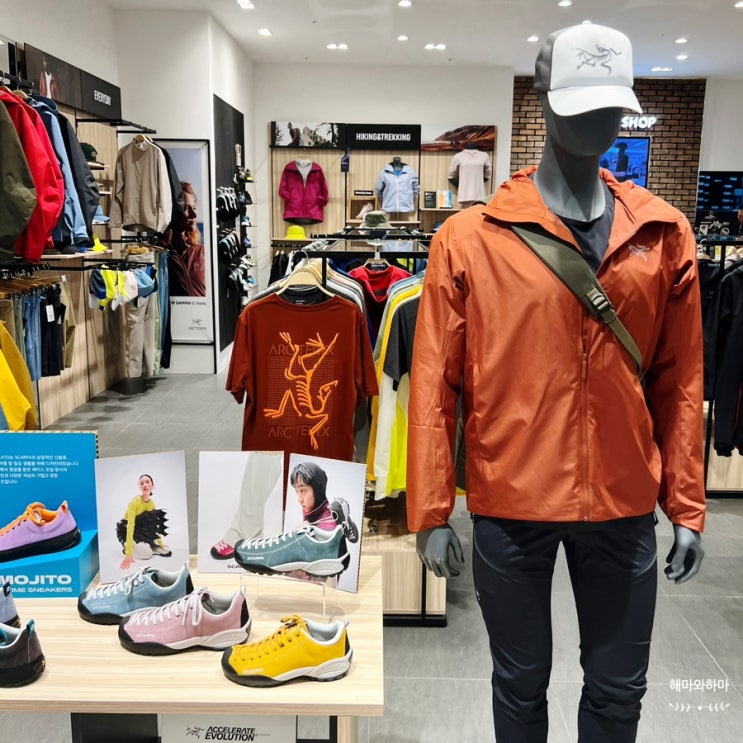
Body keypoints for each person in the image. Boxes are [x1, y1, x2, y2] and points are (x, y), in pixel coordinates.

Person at [407, 23, 706, 743]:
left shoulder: (663, 235)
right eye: (580, 103)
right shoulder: (469, 240)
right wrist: (429, 508)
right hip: (512, 499)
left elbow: (681, 381)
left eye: (610, 106)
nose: (598, 123)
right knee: (518, 685)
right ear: (541, 96)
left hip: (623, 501)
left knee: (618, 692)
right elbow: (432, 387)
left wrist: (687, 504)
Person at [117, 474, 171, 571]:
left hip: (139, 529)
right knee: (147, 554)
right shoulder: (134, 502)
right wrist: (128, 553)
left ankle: (154, 546)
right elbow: (130, 526)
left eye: (147, 482)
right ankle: (126, 545)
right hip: (126, 530)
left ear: (153, 485)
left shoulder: (151, 503)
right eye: (141, 483)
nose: (144, 485)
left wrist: (160, 543)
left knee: (149, 522)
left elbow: (154, 524)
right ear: (139, 487)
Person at [167, 182, 206, 297]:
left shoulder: (202, 253)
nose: (194, 215)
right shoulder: (162, 254)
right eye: (186, 208)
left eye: (194, 208)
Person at [290, 461, 336, 530]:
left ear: (317, 490)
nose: (299, 499)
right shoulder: (313, 518)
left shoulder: (328, 530)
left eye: (302, 491)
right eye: (297, 491)